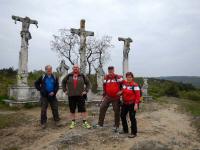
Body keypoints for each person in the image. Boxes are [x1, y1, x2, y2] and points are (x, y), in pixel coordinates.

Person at [62, 64, 91, 129]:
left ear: (78, 69)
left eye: (77, 67)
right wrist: (65, 90)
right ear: (73, 68)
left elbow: (88, 83)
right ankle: (73, 122)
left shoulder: (82, 75)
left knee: (83, 109)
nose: (75, 68)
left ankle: (84, 122)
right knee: (72, 109)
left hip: (80, 95)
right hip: (71, 95)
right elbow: (63, 82)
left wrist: (86, 91)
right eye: (74, 67)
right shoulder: (69, 75)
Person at [96, 66, 123, 132]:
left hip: (116, 97)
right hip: (107, 97)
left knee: (116, 111)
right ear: (108, 71)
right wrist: (104, 93)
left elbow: (124, 85)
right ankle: (100, 124)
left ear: (113, 70)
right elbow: (104, 85)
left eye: (111, 70)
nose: (110, 72)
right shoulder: (106, 77)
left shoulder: (118, 77)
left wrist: (121, 91)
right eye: (109, 70)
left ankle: (116, 125)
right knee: (102, 107)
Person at [118, 72, 140, 138]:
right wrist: (121, 92)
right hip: (125, 103)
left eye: (130, 77)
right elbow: (123, 90)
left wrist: (136, 104)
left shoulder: (135, 85)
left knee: (132, 118)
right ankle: (125, 130)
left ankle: (134, 132)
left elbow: (138, 95)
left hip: (132, 104)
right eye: (127, 77)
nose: (129, 78)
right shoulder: (125, 84)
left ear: (132, 78)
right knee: (122, 116)